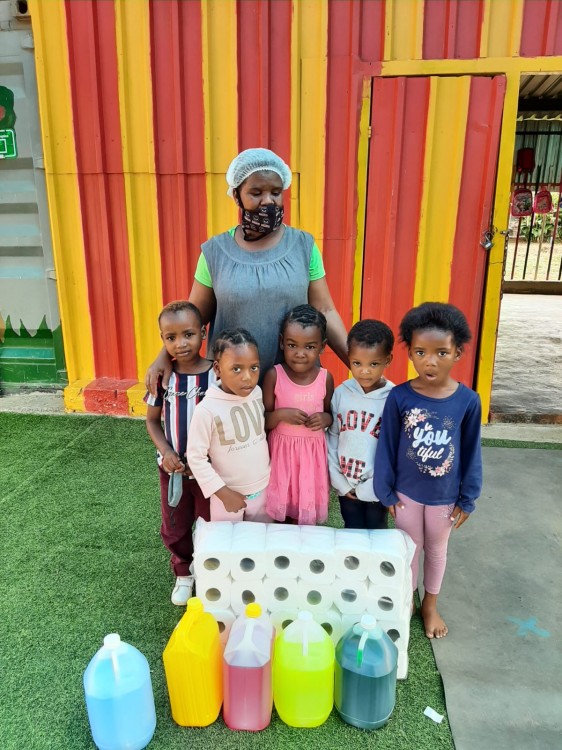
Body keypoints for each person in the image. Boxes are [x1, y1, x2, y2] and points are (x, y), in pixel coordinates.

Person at [146, 147, 348, 394]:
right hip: (230, 389)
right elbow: (192, 318)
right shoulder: (215, 252)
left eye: (276, 192)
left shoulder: (303, 246)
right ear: (236, 195)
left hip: (293, 388)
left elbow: (325, 310)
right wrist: (164, 356)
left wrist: (359, 366)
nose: (268, 201)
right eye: (256, 192)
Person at [374, 302, 482, 639]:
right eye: (420, 352)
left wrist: (468, 497)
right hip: (405, 495)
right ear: (410, 353)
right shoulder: (399, 397)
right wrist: (385, 491)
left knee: (436, 550)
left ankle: (430, 605)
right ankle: (406, 602)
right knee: (410, 550)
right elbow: (387, 445)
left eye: (441, 353)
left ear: (458, 353)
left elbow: (471, 451)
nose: (429, 361)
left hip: (444, 498)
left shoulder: (467, 401)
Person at [144, 301, 216, 605]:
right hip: (173, 471)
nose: (181, 344)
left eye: (188, 334)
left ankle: (209, 570)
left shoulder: (217, 375)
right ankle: (184, 572)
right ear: (162, 340)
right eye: (171, 338)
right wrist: (166, 452)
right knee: (175, 525)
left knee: (211, 523)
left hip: (210, 471)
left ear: (203, 333)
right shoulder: (163, 378)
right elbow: (152, 421)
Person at [185, 328, 272, 523]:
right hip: (227, 496)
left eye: (254, 368)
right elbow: (195, 457)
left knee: (261, 538)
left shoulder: (256, 393)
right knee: (228, 540)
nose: (247, 377)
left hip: (263, 490)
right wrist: (223, 493)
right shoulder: (206, 410)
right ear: (217, 369)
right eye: (237, 369)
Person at [263, 304, 334, 524]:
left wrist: (324, 419)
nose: (300, 353)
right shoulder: (274, 375)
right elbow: (263, 420)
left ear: (322, 347)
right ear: (282, 342)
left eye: (309, 346)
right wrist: (281, 415)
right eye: (292, 345)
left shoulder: (325, 378)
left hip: (312, 457)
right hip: (281, 455)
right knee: (280, 511)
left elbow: (330, 415)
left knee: (305, 509)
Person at [327, 320, 395, 530]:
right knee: (351, 530)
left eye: (373, 364)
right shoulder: (342, 393)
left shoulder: (393, 398)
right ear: (349, 358)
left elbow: (394, 449)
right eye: (357, 363)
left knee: (376, 532)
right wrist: (340, 482)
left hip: (376, 488)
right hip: (346, 485)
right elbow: (333, 436)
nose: (364, 371)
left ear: (388, 360)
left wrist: (374, 487)